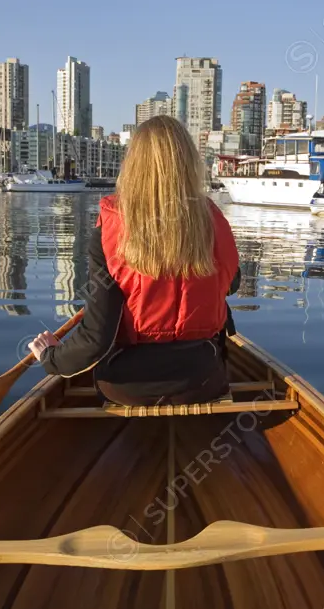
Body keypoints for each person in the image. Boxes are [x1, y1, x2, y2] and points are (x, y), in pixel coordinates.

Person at [27, 116, 240, 406]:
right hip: (203, 381)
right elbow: (231, 284)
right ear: (190, 164)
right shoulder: (216, 224)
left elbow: (96, 341)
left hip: (126, 388)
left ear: (133, 166)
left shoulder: (108, 234)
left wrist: (52, 358)